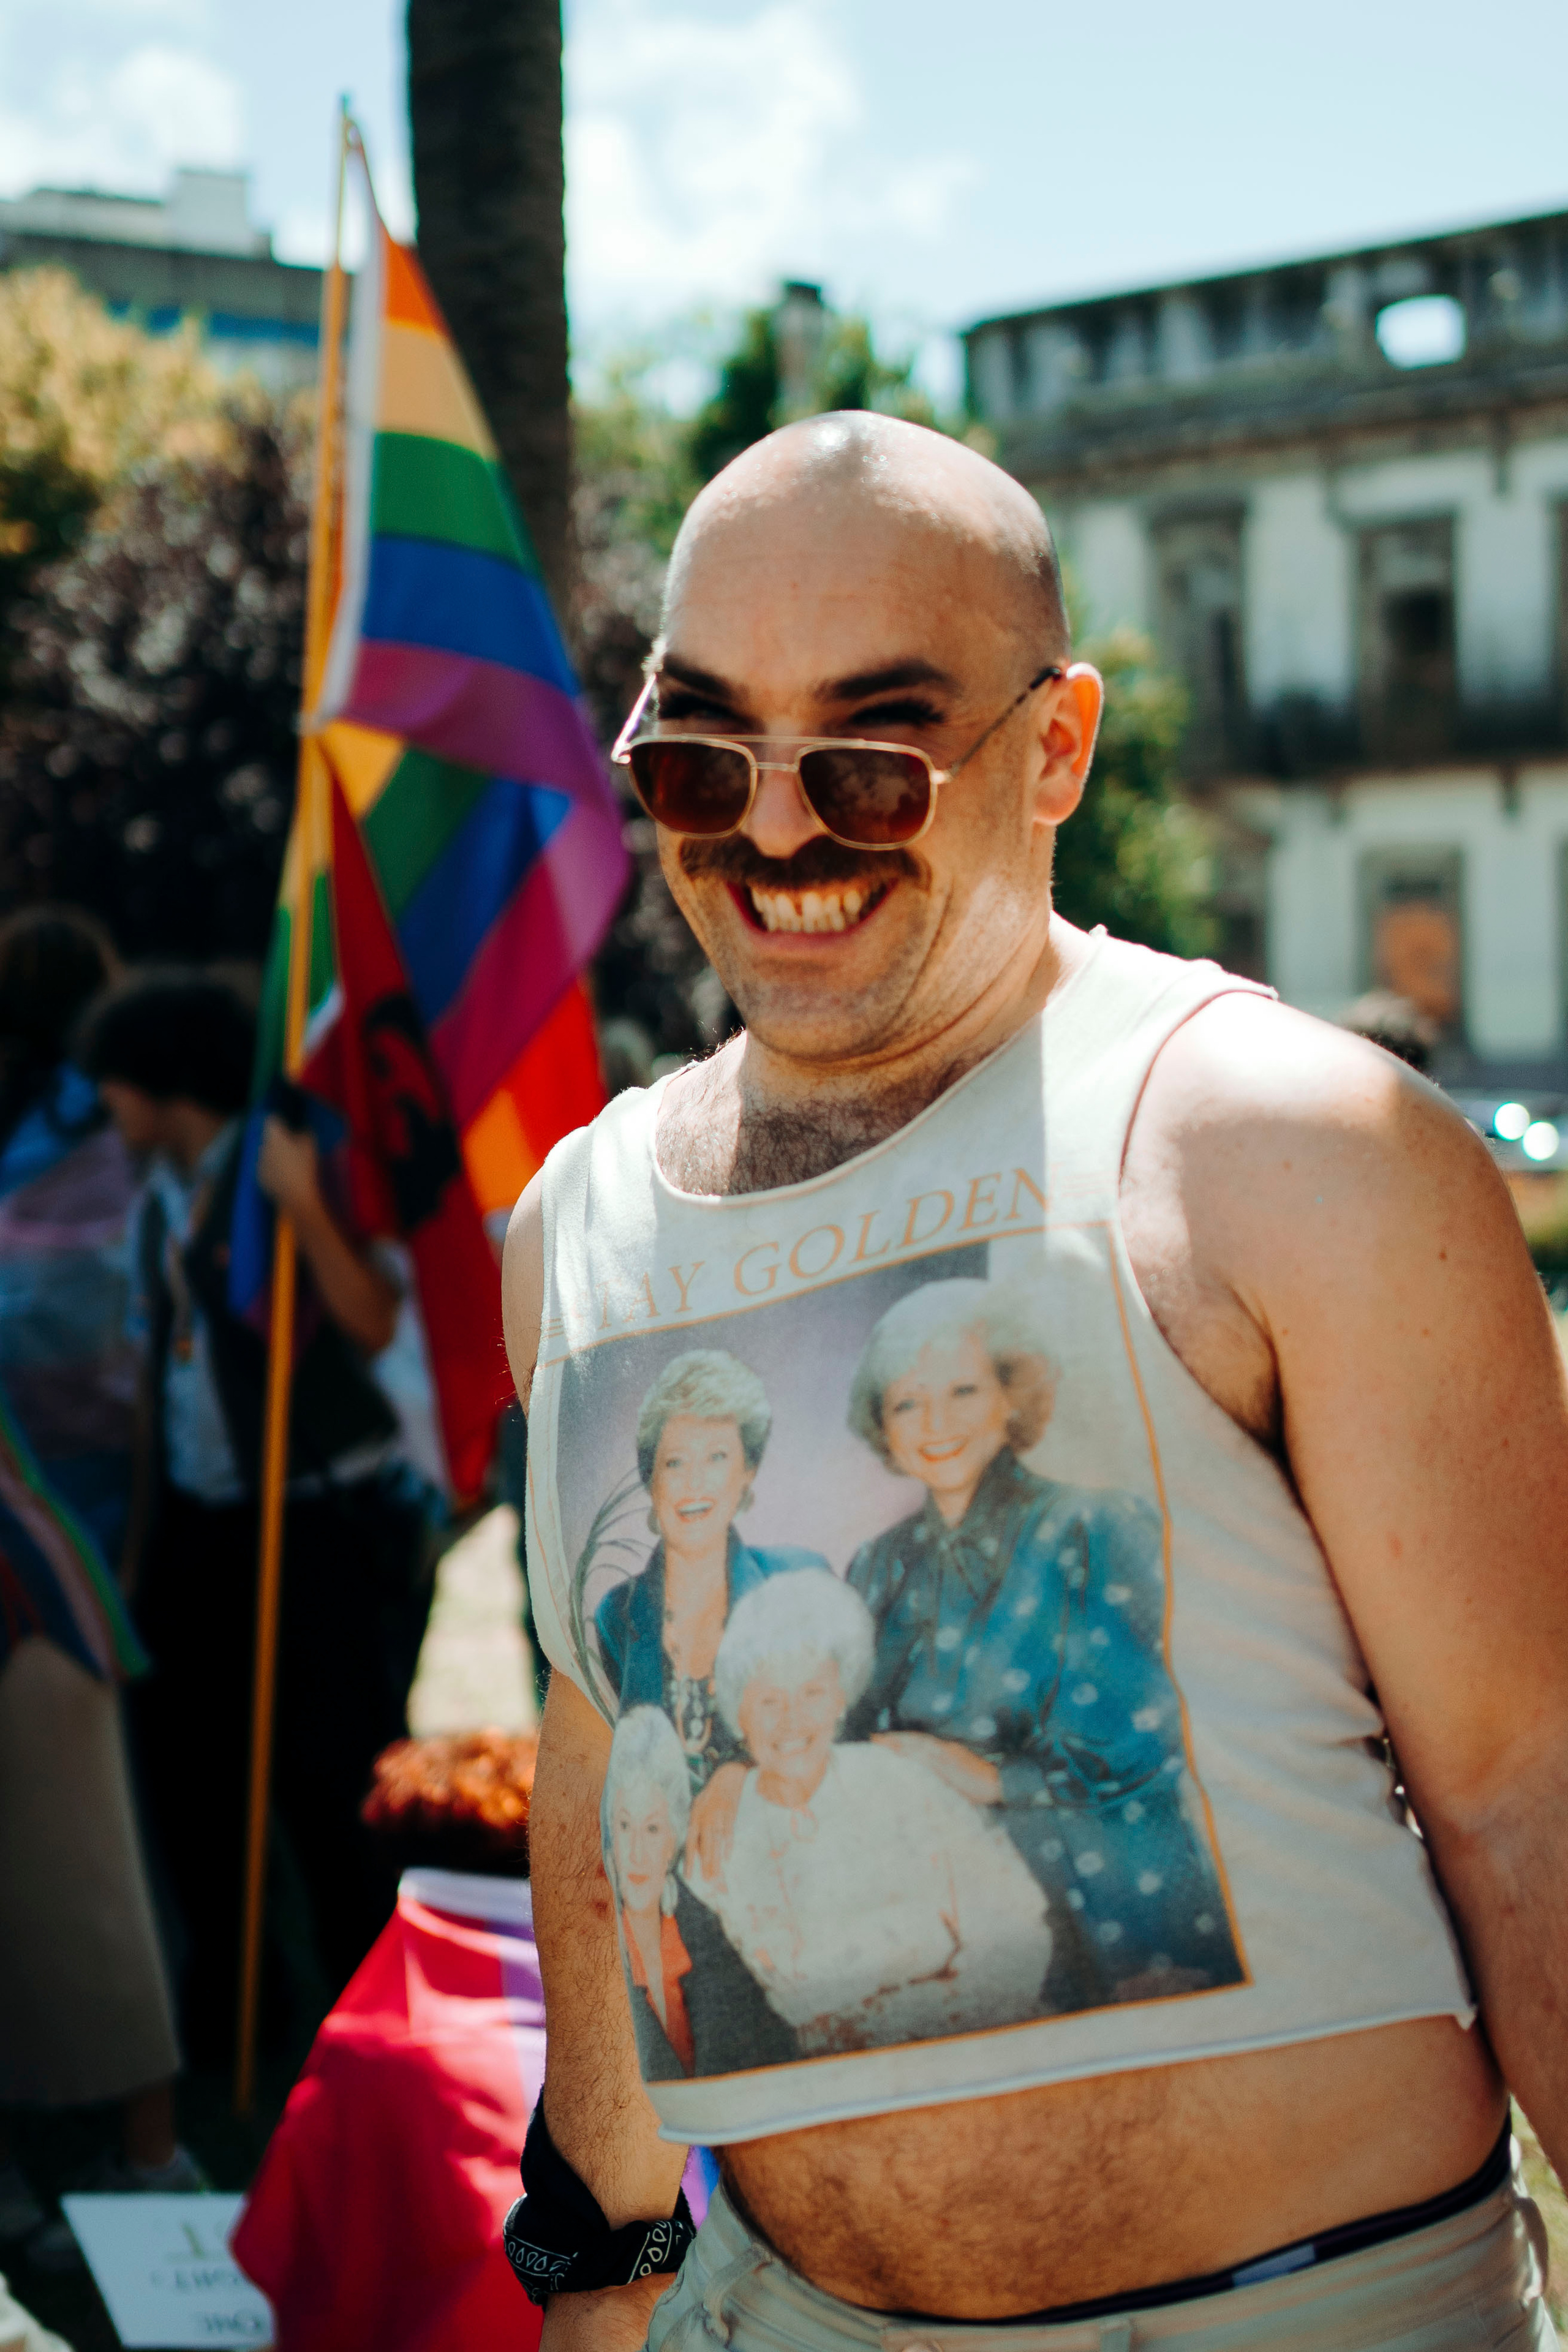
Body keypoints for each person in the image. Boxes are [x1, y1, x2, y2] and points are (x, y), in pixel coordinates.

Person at [502, 412, 1567, 2349]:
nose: (772, 830)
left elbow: (1524, 1796)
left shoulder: (1293, 1146)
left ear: (1054, 747)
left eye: (870, 758)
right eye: (701, 753)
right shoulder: (577, 1219)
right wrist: (600, 2269)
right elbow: (602, 1768)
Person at [82, 972, 429, 2062]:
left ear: (162, 1080)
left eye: (113, 1083)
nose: (102, 1107)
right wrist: (141, 1552)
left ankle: (372, 2033)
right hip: (203, 1530)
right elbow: (161, 1381)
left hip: (313, 1526)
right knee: (194, 1778)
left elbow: (372, 1320)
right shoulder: (161, 1195)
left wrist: (302, 1206)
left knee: (333, 1792)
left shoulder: (283, 1163)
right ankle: (244, 2024)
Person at [842, 1276, 1242, 2009]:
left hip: (1121, 1908)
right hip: (960, 1928)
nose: (935, 1423)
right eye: (907, 1403)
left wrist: (990, 1779)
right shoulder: (876, 1567)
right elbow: (841, 1735)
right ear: (883, 1424)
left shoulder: (1098, 1528)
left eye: (963, 1391)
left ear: (1011, 1396)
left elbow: (1155, 1734)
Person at [0, 909, 192, 2270]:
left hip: (34, 1573)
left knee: (84, 1869)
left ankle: (121, 2154)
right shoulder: (81, 1144)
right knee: (96, 1865)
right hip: (58, 1549)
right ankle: (134, 2147)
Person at [688, 1570, 1048, 2055]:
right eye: (770, 1701)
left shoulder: (900, 1781)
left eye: (813, 1693)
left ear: (841, 1698)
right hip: (820, 2073)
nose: (793, 1721)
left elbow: (1016, 1927)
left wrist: (923, 2024)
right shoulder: (719, 1831)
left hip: (974, 2040)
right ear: (739, 1715)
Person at [590, 1350, 827, 1786]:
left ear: (748, 1470)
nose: (694, 1483)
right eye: (675, 1462)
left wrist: (739, 1776)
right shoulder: (617, 1614)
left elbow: (837, 1740)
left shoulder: (800, 1583)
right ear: (651, 1478)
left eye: (716, 1457)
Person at [601, 1706, 796, 2082]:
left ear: (673, 1842)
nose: (637, 1853)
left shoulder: (709, 1939)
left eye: (652, 1829)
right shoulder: (601, 1943)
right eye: (624, 1826)